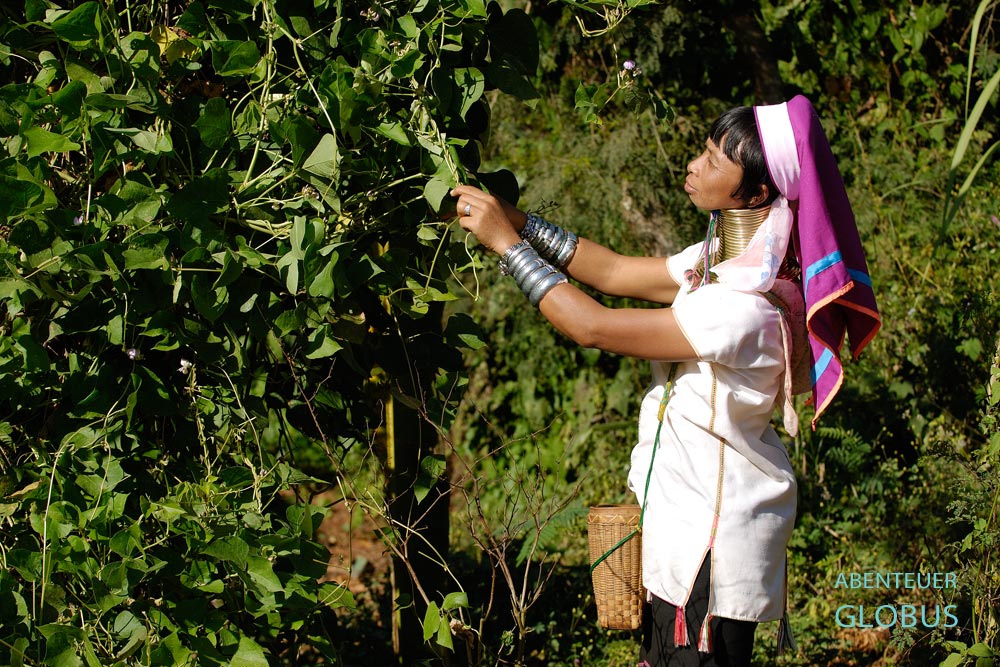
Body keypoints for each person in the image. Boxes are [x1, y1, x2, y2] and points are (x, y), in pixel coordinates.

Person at [451, 95, 880, 666]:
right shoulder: (720, 263)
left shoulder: (742, 307)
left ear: (755, 194)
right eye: (703, 150)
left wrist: (506, 245)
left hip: (712, 547)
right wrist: (517, 219)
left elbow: (593, 327)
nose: (694, 166)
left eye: (713, 160)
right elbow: (613, 271)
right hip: (685, 525)